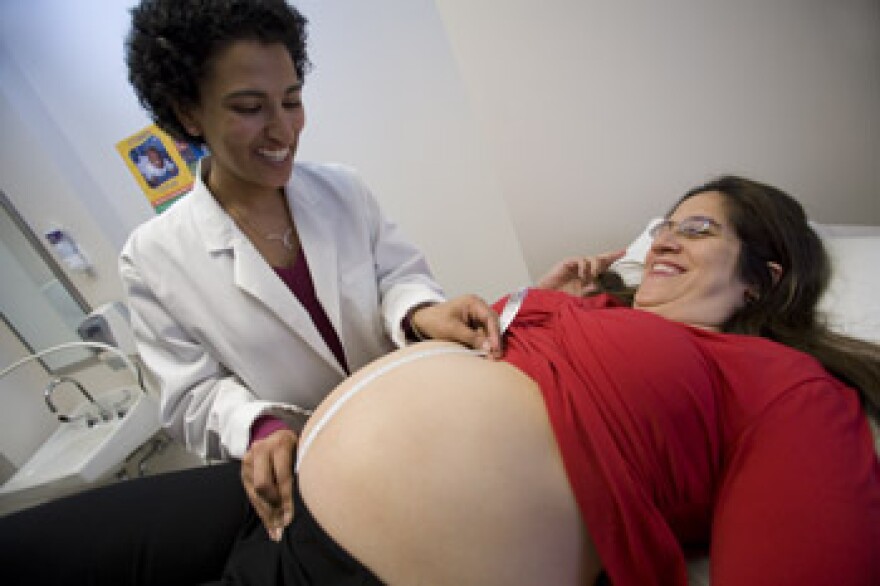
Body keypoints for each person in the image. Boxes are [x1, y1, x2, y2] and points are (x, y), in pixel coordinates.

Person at [0, 1, 499, 584]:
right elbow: (193, 395)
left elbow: (396, 276)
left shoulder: (343, 190)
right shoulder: (155, 256)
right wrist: (258, 428)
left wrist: (421, 311)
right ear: (189, 112)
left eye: (291, 100)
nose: (283, 129)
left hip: (407, 428)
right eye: (248, 108)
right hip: (317, 476)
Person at [214, 175, 880, 586]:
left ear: (761, 279)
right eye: (665, 227)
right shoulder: (594, 309)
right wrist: (540, 302)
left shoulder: (782, 383)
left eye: (698, 229)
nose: (666, 241)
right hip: (273, 483)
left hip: (360, 564)